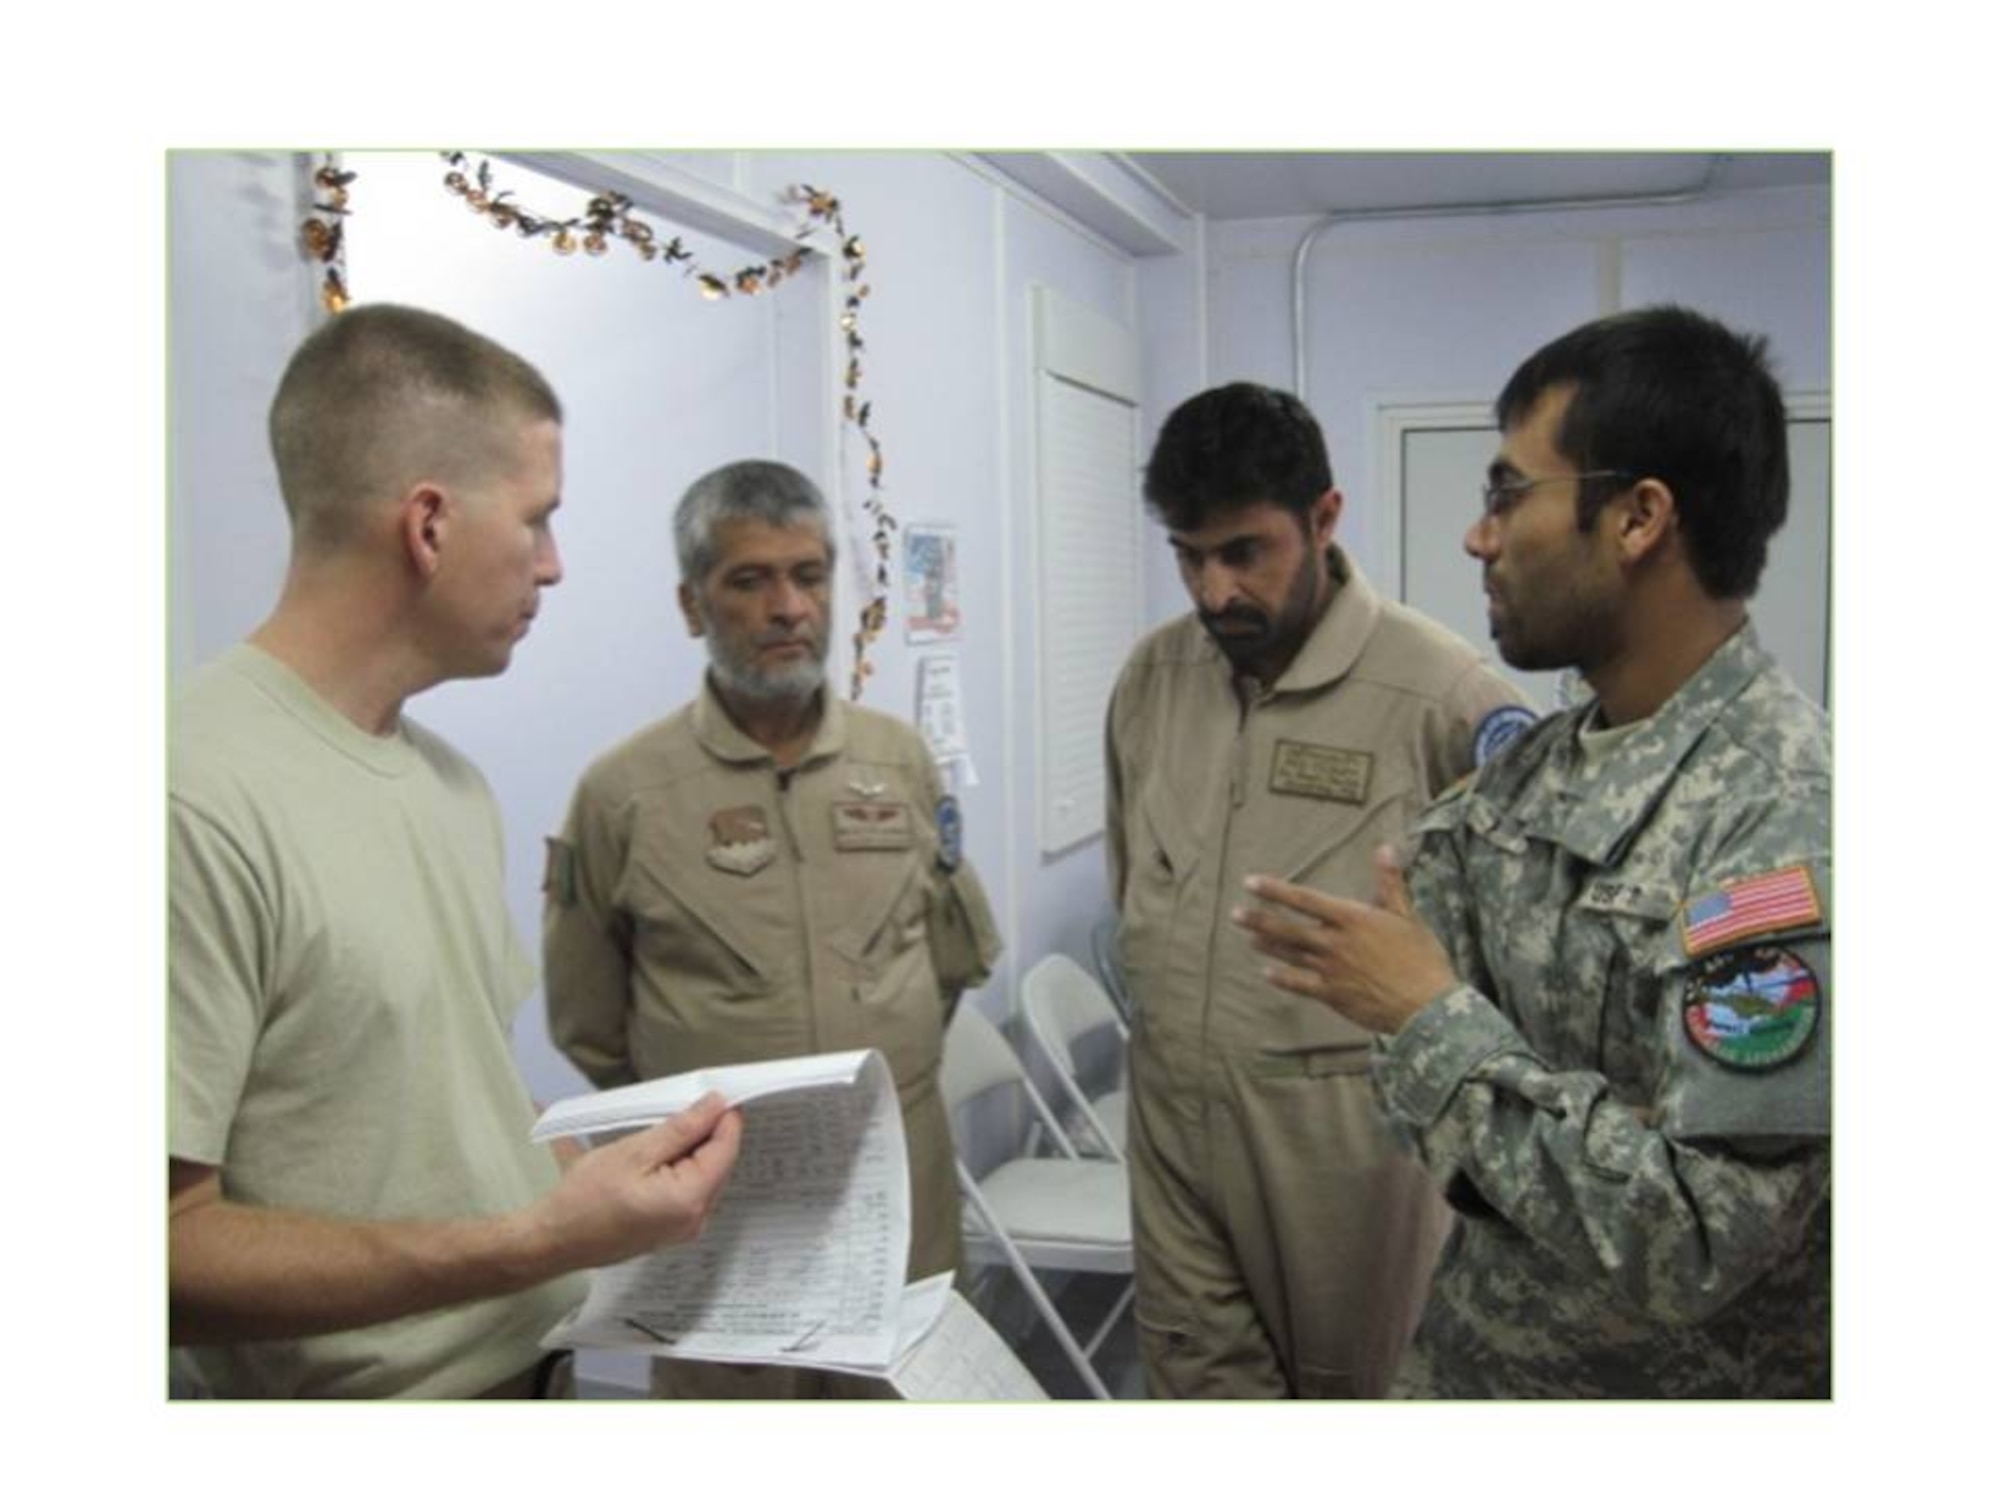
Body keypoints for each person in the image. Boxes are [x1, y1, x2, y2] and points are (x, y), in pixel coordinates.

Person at [1233, 305, 1831, 1398]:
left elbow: (1699, 1236)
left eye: (1509, 494)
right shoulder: (1526, 779)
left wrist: (1436, 1020)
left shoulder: (1784, 819)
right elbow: (1399, 1074)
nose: (1479, 537)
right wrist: (1571, 1105)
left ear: (1638, 518)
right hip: (1473, 1365)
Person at [169, 304, 744, 1400]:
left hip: (538, 1372)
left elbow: (447, 1095)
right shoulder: (189, 795)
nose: (554, 565)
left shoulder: (452, 786)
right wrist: (534, 1242)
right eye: (536, 520)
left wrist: (598, 1191)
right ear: (429, 525)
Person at [1104, 382, 1530, 1398]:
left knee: (1355, 1391)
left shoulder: (1441, 693)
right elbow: (1131, 879)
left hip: (1347, 1144)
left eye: (1244, 552)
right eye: (1188, 557)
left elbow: (1522, 957)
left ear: (1323, 518)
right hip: (1170, 1115)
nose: (1214, 593)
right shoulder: (1153, 678)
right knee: (1192, 1383)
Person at [543, 458, 1001, 1400]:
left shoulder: (899, 762)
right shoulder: (625, 793)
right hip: (727, 1212)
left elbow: (953, 960)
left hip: (900, 1197)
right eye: (749, 580)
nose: (788, 607)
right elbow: (588, 1021)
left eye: (809, 575)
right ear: (692, 603)